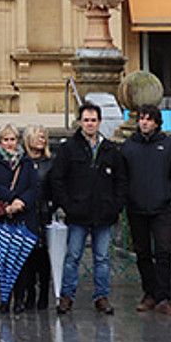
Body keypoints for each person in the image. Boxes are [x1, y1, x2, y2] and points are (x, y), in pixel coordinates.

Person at [51, 102, 128, 316]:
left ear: (99, 122)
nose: (90, 124)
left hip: (104, 214)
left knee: (102, 258)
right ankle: (66, 296)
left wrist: (115, 206)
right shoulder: (69, 148)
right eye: (86, 120)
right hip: (78, 214)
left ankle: (101, 297)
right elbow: (58, 179)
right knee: (73, 256)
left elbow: (121, 182)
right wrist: (68, 205)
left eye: (93, 120)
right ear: (80, 122)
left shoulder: (110, 149)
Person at [123, 105, 171, 317]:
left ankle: (164, 297)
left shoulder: (168, 145)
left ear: (157, 122)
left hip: (161, 209)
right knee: (142, 253)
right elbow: (122, 175)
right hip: (136, 208)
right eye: (141, 118)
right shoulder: (129, 146)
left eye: (149, 119)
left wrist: (167, 192)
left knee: (163, 252)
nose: (145, 122)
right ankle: (149, 293)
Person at [0, 124, 39, 313]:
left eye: (12, 139)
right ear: (0, 142)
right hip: (2, 215)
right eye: (5, 140)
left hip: (22, 215)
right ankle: (5, 297)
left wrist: (20, 202)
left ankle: (19, 298)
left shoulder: (26, 162)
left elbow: (33, 187)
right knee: (3, 260)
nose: (9, 143)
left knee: (20, 261)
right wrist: (11, 200)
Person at [13, 124, 55, 312]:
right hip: (26, 213)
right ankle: (28, 293)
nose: (42, 139)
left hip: (45, 212)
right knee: (26, 257)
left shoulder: (51, 161)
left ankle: (44, 294)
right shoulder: (21, 162)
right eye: (38, 136)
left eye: (44, 136)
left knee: (44, 257)